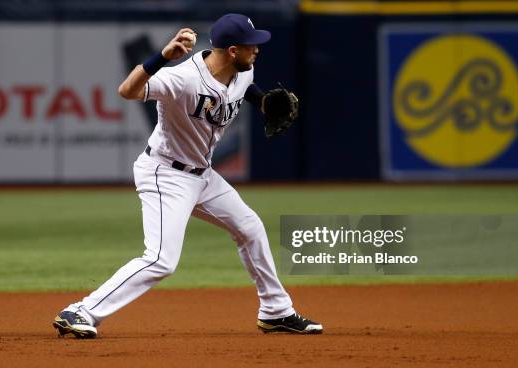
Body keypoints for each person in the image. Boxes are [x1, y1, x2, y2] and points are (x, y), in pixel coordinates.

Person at [53, 13, 322, 338]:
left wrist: (264, 101)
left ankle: (276, 311)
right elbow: (127, 90)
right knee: (161, 260)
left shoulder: (244, 69)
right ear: (233, 50)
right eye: (252, 46)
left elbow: (246, 88)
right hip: (165, 173)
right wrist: (162, 57)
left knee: (250, 228)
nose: (257, 51)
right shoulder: (182, 78)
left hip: (203, 176)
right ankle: (80, 311)